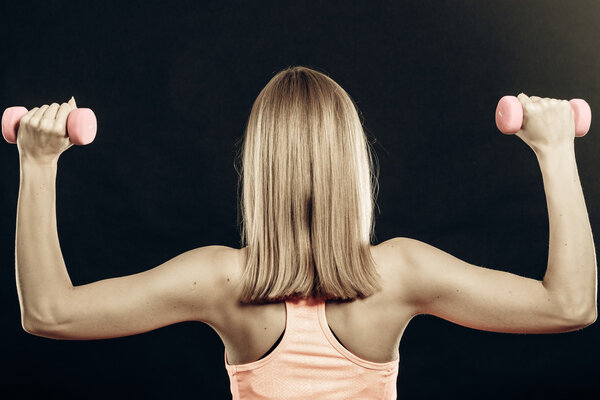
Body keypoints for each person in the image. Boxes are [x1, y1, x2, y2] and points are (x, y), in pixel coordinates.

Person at [13, 66, 597, 400]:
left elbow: (49, 313)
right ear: (352, 165)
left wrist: (38, 164)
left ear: (260, 171)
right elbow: (570, 306)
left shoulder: (221, 279)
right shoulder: (400, 274)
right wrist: (555, 150)